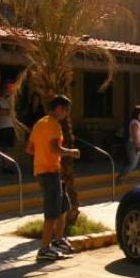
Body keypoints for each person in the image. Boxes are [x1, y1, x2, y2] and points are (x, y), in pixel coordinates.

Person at [26, 95, 81, 261]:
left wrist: (43, 154)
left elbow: (29, 149)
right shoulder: (54, 125)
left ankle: (58, 240)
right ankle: (44, 249)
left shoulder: (39, 123)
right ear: (58, 108)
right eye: (66, 110)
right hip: (49, 172)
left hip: (46, 171)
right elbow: (56, 149)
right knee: (51, 212)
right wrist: (72, 152)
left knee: (63, 206)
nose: (66, 113)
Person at [117, 105, 140, 184]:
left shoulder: (138, 122)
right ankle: (120, 177)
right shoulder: (134, 123)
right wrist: (138, 147)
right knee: (133, 164)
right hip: (134, 145)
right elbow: (134, 135)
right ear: (137, 113)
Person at [0, 82, 16, 174]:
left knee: (8, 148)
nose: (8, 90)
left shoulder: (10, 100)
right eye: (7, 88)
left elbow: (15, 111)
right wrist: (11, 112)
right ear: (3, 89)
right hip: (1, 127)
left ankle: (6, 167)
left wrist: (10, 111)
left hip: (11, 126)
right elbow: (1, 111)